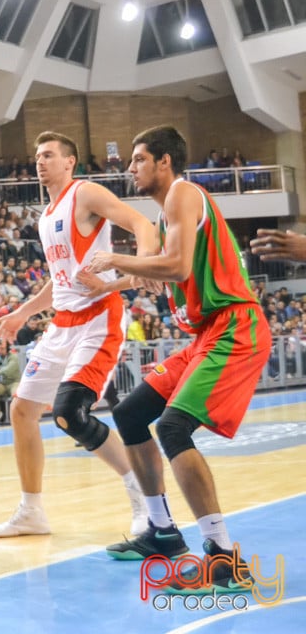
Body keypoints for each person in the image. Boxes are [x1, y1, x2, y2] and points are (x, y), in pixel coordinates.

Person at [85, 126, 270, 595]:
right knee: (129, 414)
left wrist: (116, 260)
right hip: (208, 333)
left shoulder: (183, 194)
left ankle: (223, 557)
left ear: (164, 162)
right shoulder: (170, 214)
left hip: (235, 328)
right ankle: (164, 531)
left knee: (171, 428)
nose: (130, 168)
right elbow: (166, 268)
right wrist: (112, 283)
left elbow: (178, 268)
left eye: (139, 159)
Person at [0, 131, 156, 539]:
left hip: (99, 318)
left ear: (69, 163)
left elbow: (139, 221)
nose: (40, 161)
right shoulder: (47, 216)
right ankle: (31, 511)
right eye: (37, 155)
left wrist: (145, 263)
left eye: (48, 155)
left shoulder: (85, 194)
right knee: (22, 411)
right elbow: (58, 280)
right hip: (63, 322)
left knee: (69, 413)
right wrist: (21, 314)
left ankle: (145, 501)